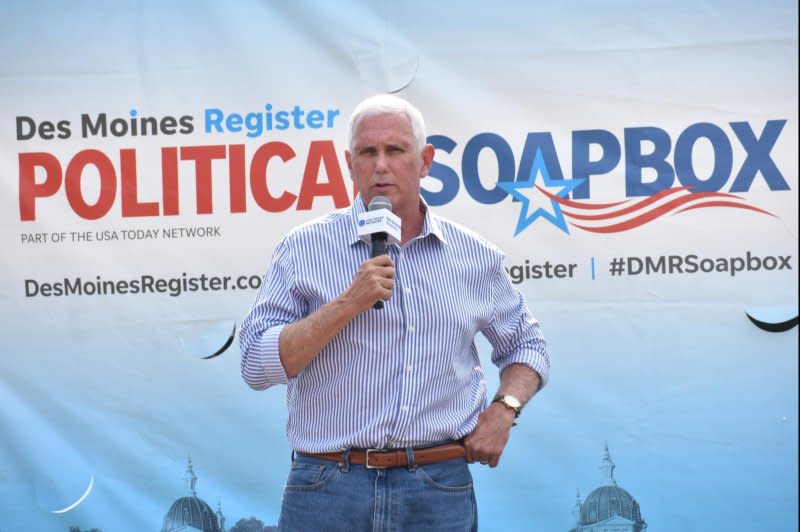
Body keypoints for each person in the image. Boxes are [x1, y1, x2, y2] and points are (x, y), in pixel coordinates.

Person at [239, 94, 550, 531]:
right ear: (350, 164)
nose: (381, 165)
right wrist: (349, 304)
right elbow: (256, 364)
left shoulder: (474, 257)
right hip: (328, 484)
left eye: (395, 151)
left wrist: (504, 410)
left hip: (436, 484)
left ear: (424, 161)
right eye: (368, 152)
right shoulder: (302, 248)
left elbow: (527, 346)